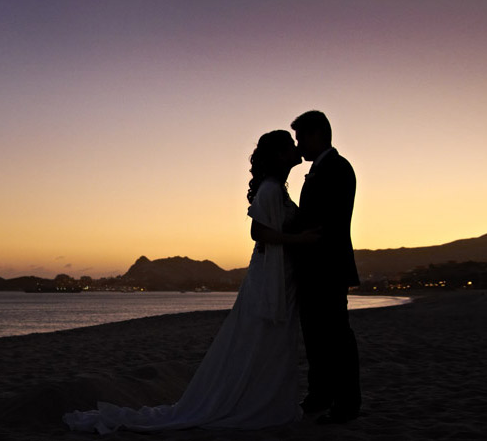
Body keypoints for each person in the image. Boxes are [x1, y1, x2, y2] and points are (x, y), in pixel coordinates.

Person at [62, 130, 317, 433]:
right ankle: (256, 404)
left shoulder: (278, 189)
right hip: (270, 276)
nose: (295, 150)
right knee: (261, 339)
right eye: (289, 147)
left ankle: (266, 401)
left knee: (271, 342)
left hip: (280, 274)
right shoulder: (271, 190)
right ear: (277, 156)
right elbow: (258, 233)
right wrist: (299, 240)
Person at [289, 110, 362, 424]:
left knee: (335, 337)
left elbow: (328, 220)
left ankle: (346, 403)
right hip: (314, 267)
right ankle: (320, 395)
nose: (298, 144)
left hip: (326, 266)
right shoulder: (323, 168)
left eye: (301, 137)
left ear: (317, 134)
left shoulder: (337, 168)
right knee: (316, 337)